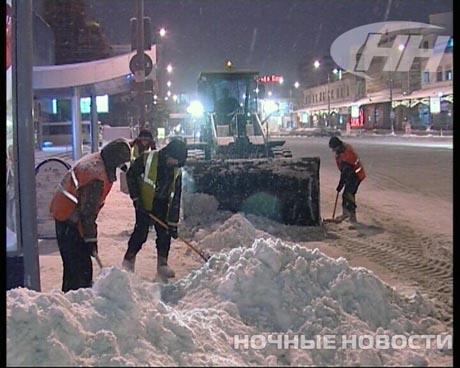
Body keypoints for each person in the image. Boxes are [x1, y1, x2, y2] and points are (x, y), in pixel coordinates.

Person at [49, 138, 132, 292]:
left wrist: (89, 238)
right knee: (80, 269)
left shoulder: (97, 161)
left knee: (73, 266)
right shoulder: (96, 177)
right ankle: (78, 302)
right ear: (114, 160)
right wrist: (90, 239)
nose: (120, 169)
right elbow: (87, 213)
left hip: (66, 215)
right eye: (120, 164)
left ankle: (73, 299)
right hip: (69, 218)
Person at [122, 138, 188, 279]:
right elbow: (131, 175)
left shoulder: (177, 171)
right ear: (168, 154)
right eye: (175, 160)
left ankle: (162, 264)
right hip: (144, 202)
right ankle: (128, 261)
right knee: (141, 233)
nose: (176, 164)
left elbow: (176, 197)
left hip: (163, 203)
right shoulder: (148, 158)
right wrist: (136, 199)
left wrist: (173, 223)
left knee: (164, 233)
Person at [328, 136, 366, 223]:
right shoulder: (342, 151)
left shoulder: (347, 155)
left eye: (334, 148)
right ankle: (345, 213)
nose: (333, 150)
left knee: (349, 194)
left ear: (337, 146)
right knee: (346, 194)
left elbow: (345, 172)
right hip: (351, 175)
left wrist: (340, 185)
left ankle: (352, 216)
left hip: (356, 175)